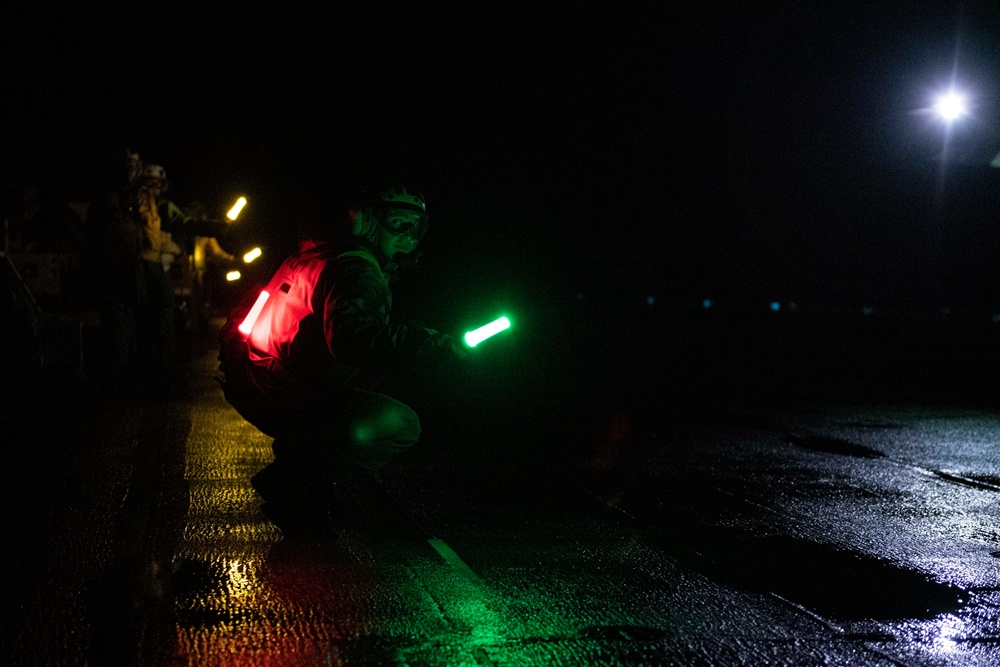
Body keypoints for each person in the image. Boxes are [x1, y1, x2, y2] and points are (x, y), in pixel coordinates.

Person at [219, 183, 467, 533]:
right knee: (400, 424)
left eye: (418, 228)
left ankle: (299, 466)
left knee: (341, 397)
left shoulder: (314, 255)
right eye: (399, 224)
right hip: (281, 390)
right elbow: (354, 341)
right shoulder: (357, 269)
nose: (410, 237)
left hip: (254, 378)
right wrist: (432, 344)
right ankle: (298, 482)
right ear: (367, 222)